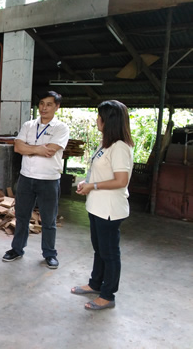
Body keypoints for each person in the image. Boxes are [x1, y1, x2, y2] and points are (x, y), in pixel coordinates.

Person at [72, 100, 134, 310]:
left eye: (100, 116)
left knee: (109, 253)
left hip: (110, 209)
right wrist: (86, 183)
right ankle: (95, 283)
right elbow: (98, 171)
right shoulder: (105, 144)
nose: (97, 120)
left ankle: (108, 296)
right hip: (96, 207)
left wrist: (93, 186)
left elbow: (121, 181)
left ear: (109, 121)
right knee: (99, 249)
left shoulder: (120, 148)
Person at [2, 91, 69, 269]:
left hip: (49, 180)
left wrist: (29, 148)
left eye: (49, 104)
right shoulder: (29, 125)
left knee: (48, 219)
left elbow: (51, 150)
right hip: (26, 178)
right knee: (22, 216)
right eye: (41, 103)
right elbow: (17, 147)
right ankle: (17, 249)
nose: (44, 108)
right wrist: (38, 149)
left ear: (57, 107)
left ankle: (49, 254)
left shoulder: (61, 128)